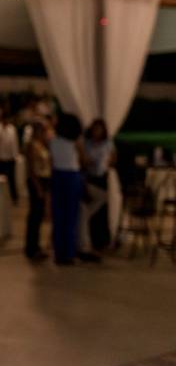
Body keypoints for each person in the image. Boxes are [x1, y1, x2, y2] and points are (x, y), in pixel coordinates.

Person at [78, 118, 116, 262]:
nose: (97, 131)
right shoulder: (87, 143)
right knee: (91, 206)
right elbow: (83, 159)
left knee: (101, 210)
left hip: (101, 177)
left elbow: (113, 157)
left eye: (99, 129)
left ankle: (100, 242)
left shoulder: (107, 143)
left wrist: (107, 163)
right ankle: (88, 240)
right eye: (95, 129)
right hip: (90, 177)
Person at [49, 113, 84, 265]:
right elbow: (83, 160)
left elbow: (51, 160)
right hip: (72, 177)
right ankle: (69, 253)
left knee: (58, 216)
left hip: (57, 176)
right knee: (71, 217)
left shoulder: (52, 140)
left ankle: (59, 253)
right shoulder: (75, 142)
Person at [24, 121, 52, 261]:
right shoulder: (32, 145)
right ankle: (31, 248)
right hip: (37, 181)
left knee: (39, 215)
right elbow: (31, 169)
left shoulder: (42, 144)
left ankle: (36, 246)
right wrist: (38, 187)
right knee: (35, 215)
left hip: (44, 180)